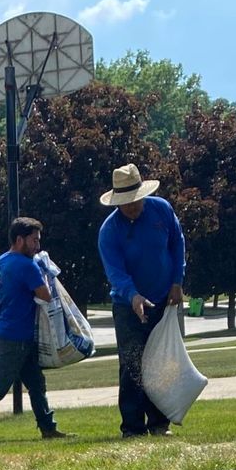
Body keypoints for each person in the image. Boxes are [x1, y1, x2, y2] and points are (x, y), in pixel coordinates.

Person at [0, 216, 69, 442]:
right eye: (34, 240)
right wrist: (45, 271)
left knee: (36, 384)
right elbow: (46, 296)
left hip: (8, 333)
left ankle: (48, 429)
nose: (37, 246)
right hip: (17, 338)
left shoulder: (1, 262)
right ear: (19, 240)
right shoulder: (27, 266)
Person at [97, 163, 186, 438]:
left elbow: (177, 243)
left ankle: (159, 423)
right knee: (132, 365)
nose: (132, 207)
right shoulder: (109, 231)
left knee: (161, 364)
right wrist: (133, 296)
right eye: (126, 203)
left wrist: (177, 281)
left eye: (135, 200)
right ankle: (132, 427)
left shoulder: (162, 210)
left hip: (163, 300)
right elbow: (116, 273)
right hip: (127, 307)